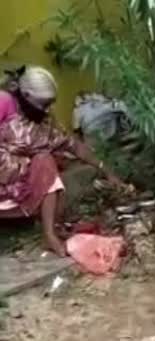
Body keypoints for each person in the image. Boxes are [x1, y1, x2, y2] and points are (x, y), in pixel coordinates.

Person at [0, 66, 122, 257]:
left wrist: (106, 171)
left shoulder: (45, 121)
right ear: (25, 95)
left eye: (50, 104)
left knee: (46, 161)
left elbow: (74, 146)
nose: (48, 110)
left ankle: (50, 234)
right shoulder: (4, 102)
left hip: (20, 185)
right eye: (43, 104)